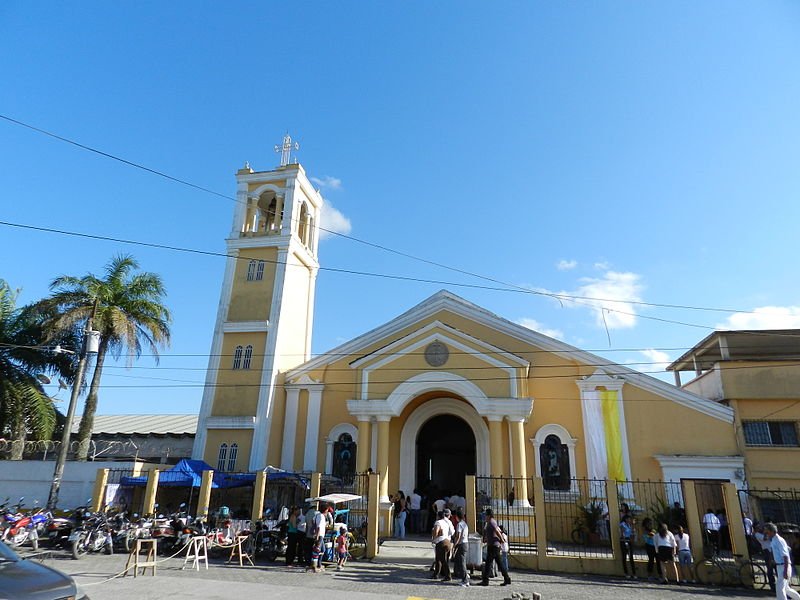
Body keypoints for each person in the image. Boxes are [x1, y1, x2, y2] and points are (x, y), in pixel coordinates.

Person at [763, 522, 800, 600]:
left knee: (780, 589)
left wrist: (785, 571)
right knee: (786, 589)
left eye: (767, 531)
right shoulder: (774, 540)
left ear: (772, 531)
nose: (765, 533)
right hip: (780, 566)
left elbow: (785, 556)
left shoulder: (779, 540)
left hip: (784, 566)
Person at [479, 508, 511, 586]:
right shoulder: (490, 522)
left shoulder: (491, 522)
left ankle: (485, 580)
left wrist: (502, 540)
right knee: (499, 564)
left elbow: (497, 531)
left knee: (488, 563)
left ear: (489, 515)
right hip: (493, 545)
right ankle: (507, 578)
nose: (485, 516)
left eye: (486, 515)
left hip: (493, 546)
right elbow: (492, 532)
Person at [431, 510, 454, 581]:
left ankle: (448, 575)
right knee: (438, 558)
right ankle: (436, 574)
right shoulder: (446, 522)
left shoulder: (438, 522)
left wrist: (434, 539)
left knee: (442, 560)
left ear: (438, 516)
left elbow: (436, 531)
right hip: (447, 541)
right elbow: (451, 532)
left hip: (441, 542)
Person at [756, 523, 778, 592]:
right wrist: (766, 533)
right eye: (759, 527)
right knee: (770, 568)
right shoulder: (757, 534)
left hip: (772, 550)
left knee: (776, 567)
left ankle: (779, 583)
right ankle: (772, 585)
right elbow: (765, 538)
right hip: (767, 551)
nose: (761, 528)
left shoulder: (764, 533)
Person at [452, 508, 470, 587]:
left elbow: (458, 536)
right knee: (462, 562)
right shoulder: (465, 524)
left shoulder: (459, 524)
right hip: (465, 543)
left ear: (457, 516)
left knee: (462, 563)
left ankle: (465, 580)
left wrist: (455, 545)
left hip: (461, 544)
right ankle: (464, 577)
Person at [619, 514, 636, 578]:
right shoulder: (622, 524)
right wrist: (625, 542)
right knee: (624, 557)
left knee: (631, 557)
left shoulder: (630, 525)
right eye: (628, 519)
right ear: (625, 519)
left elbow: (633, 532)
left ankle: (634, 573)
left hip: (629, 540)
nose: (630, 520)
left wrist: (633, 525)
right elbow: (622, 533)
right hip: (624, 541)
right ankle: (626, 573)